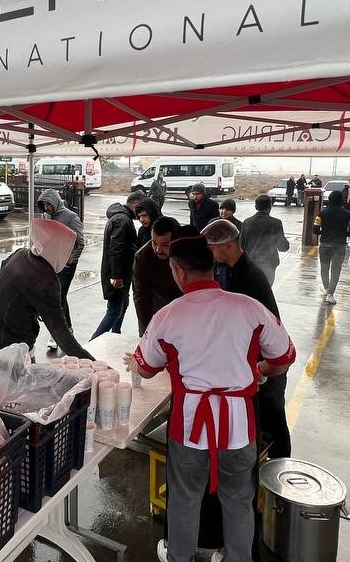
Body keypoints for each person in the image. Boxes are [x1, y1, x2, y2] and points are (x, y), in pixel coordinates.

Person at [127, 235, 296, 562]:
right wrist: (259, 369)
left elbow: (146, 368)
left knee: (185, 497)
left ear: (178, 271)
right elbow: (285, 356)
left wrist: (136, 362)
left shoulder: (167, 316)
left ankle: (180, 558)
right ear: (213, 268)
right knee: (238, 500)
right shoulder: (249, 308)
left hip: (189, 425)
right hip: (239, 424)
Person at [202, 219, 290, 462]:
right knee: (261, 417)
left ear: (228, 246)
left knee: (273, 420)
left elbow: (248, 326)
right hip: (258, 358)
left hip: (268, 361)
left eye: (212, 248)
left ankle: (280, 473)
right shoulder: (235, 268)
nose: (210, 253)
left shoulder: (247, 275)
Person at [0, 218, 94, 359]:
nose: (70, 260)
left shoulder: (20, 254)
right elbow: (61, 335)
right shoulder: (46, 280)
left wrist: (29, 308)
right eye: (69, 253)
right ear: (57, 249)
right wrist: (92, 362)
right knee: (23, 380)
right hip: (14, 352)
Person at [93, 192, 143, 338]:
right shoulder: (122, 220)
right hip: (116, 274)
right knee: (114, 310)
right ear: (135, 205)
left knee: (122, 305)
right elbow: (116, 249)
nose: (141, 214)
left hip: (120, 273)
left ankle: (115, 335)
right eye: (140, 209)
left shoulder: (122, 217)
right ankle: (91, 345)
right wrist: (117, 276)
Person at [37, 188, 84, 328]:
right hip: (51, 262)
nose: (46, 208)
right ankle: (66, 329)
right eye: (44, 205)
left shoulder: (71, 217)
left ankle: (60, 331)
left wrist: (72, 258)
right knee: (59, 298)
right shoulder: (45, 216)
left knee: (59, 298)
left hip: (67, 264)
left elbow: (80, 242)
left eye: (49, 204)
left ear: (55, 202)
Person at [132, 216, 184, 335]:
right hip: (159, 309)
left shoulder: (190, 253)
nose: (158, 249)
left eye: (165, 245)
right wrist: (146, 334)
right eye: (154, 243)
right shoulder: (142, 258)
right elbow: (141, 299)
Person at [312, 191, 350, 305]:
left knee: (324, 268)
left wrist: (325, 232)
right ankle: (331, 294)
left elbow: (315, 230)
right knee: (336, 270)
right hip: (340, 245)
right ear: (341, 200)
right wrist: (343, 234)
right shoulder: (348, 214)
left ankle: (326, 289)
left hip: (325, 244)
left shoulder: (322, 213)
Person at [239, 195, 289, 279]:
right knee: (266, 289)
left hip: (251, 263)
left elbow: (241, 245)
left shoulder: (247, 222)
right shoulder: (276, 223)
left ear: (255, 207)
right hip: (269, 264)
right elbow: (283, 247)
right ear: (270, 207)